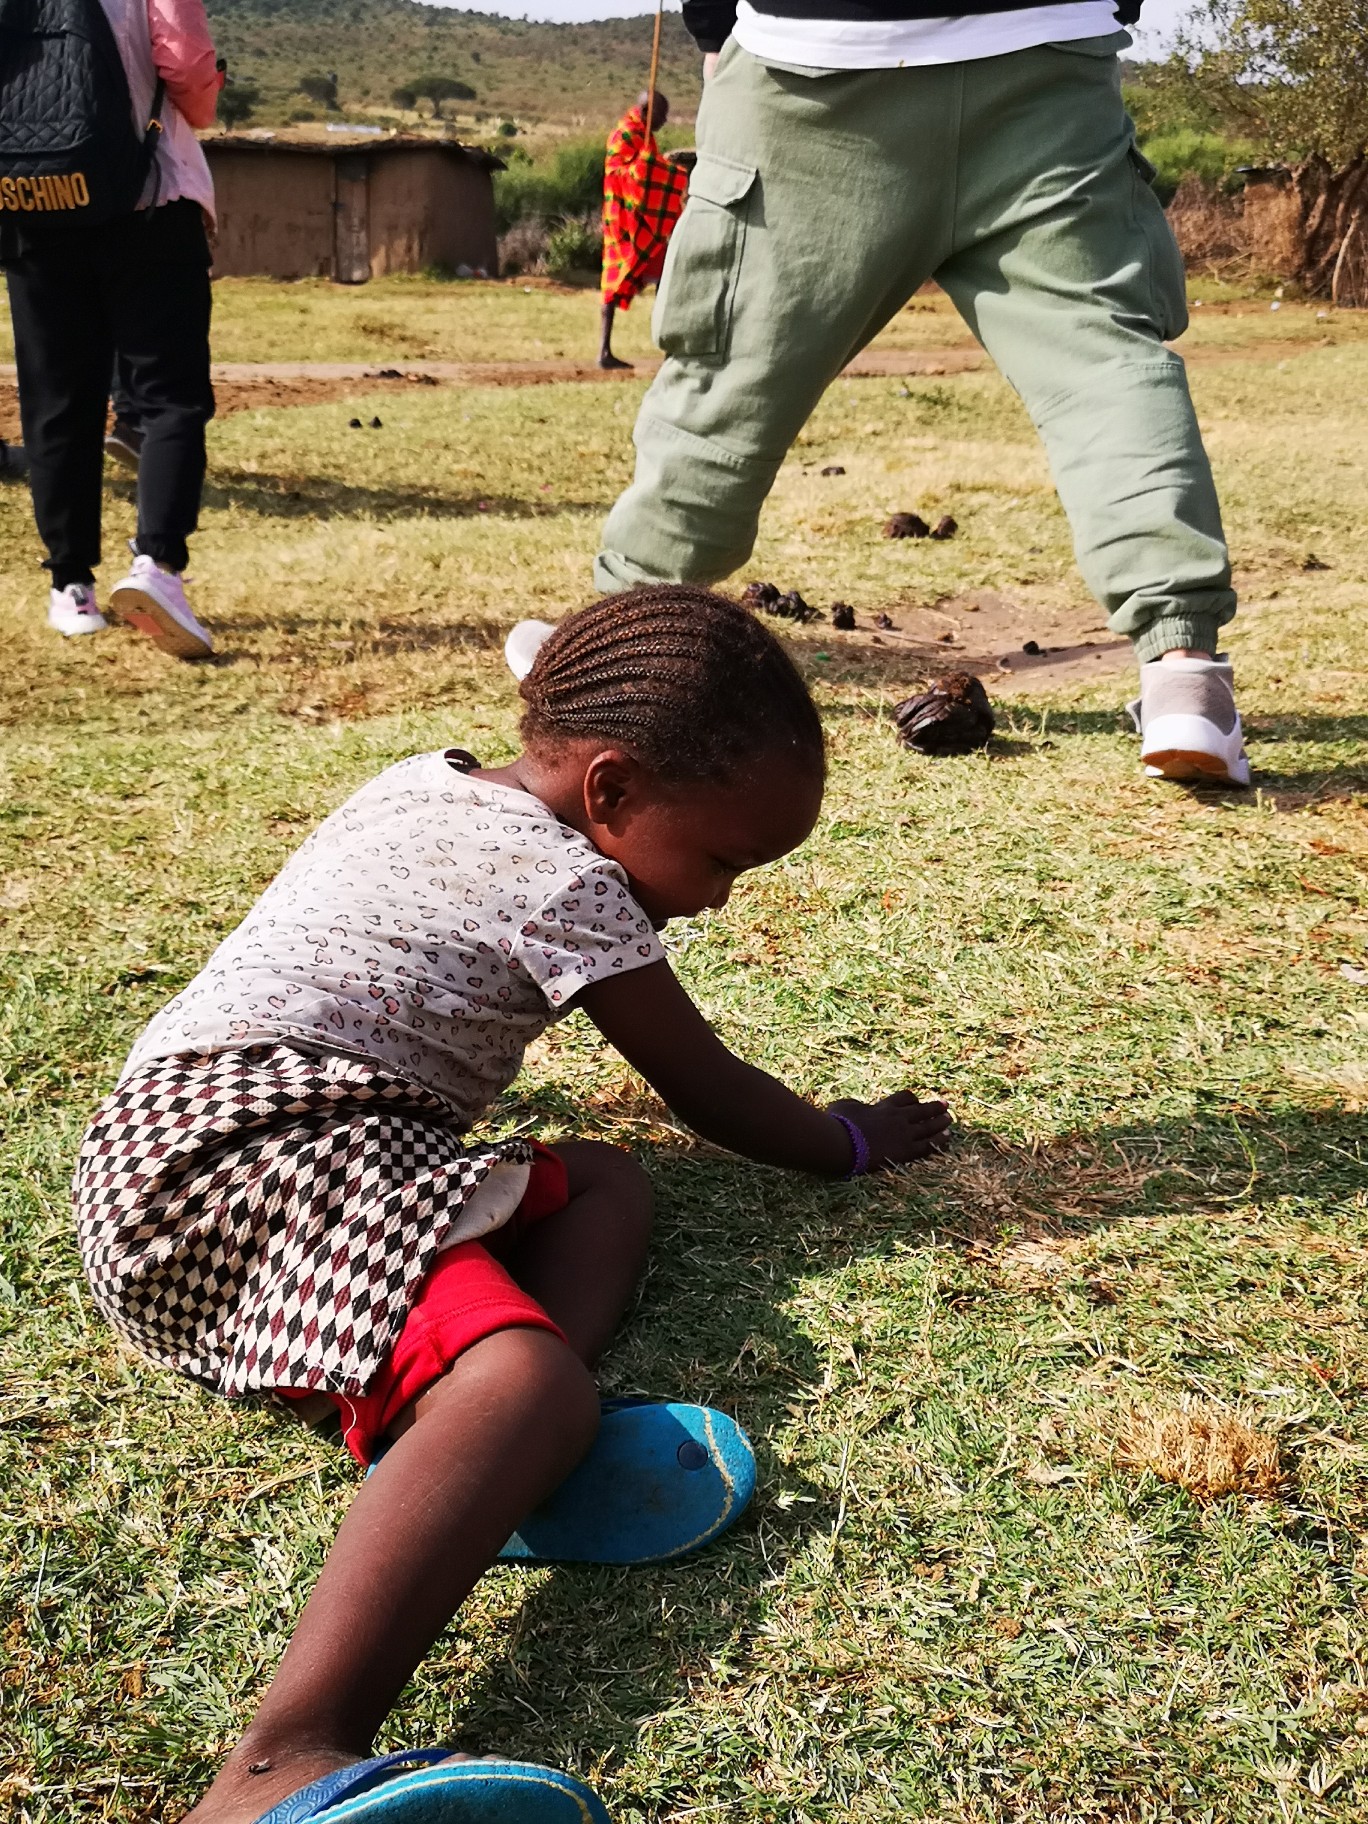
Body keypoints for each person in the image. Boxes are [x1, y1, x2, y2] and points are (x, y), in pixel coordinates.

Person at [72, 587, 952, 1824]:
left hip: (191, 1147)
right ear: (610, 792)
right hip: (248, 1165)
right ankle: (279, 1764)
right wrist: (849, 1141)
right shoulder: (568, 887)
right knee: (530, 1383)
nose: (715, 900)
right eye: (720, 861)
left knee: (603, 1184)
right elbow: (705, 1087)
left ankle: (483, 1461)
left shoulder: (420, 780)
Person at [595, 1, 1251, 789]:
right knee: (1103, 366)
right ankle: (1185, 677)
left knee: (734, 370)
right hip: (1045, 62)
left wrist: (711, 36)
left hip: (813, 64)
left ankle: (617, 650)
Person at [0, 0, 221, 657]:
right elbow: (190, 75)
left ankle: (71, 587)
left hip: (35, 203)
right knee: (169, 395)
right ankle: (156, 566)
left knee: (56, 403)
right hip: (147, 199)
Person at [598, 89, 691, 370]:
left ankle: (667, 345)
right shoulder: (625, 134)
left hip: (643, 223)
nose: (665, 121)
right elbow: (620, 172)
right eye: (661, 115)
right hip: (624, 221)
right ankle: (604, 352)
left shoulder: (644, 136)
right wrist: (649, 169)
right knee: (614, 281)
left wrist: (654, 168)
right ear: (647, 112)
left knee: (666, 276)